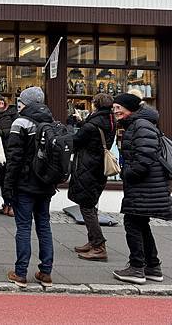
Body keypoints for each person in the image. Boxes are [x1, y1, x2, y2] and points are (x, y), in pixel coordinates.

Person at [111, 93, 172, 284]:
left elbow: (144, 158)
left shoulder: (140, 125)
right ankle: (153, 267)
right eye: (114, 108)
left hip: (144, 186)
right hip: (146, 186)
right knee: (141, 225)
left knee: (132, 224)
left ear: (130, 108)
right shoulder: (140, 123)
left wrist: (127, 173)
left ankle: (137, 267)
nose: (115, 111)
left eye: (119, 107)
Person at [2, 87, 56, 288]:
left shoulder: (20, 122)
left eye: (21, 101)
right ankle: (46, 272)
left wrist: (7, 186)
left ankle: (20, 273)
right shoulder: (49, 120)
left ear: (26, 102)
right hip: (46, 183)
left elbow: (14, 158)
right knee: (44, 226)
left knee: (23, 227)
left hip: (25, 184)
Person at [68, 94, 116, 261]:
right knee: (91, 205)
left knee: (86, 207)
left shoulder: (93, 124)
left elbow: (76, 140)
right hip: (98, 168)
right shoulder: (110, 120)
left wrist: (69, 130)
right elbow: (94, 134)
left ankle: (98, 246)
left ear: (96, 105)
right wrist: (82, 123)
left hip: (88, 167)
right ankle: (92, 241)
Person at [0, 93, 18, 216]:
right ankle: (5, 203)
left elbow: (16, 129)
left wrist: (2, 133)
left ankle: (12, 205)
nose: (0, 102)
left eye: (1, 100)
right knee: (3, 178)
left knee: (11, 178)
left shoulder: (12, 113)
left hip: (11, 149)